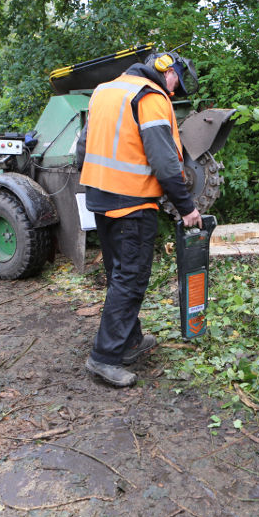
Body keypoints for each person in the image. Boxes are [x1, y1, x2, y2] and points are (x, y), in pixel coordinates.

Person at [80, 51, 202, 387]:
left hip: (101, 198)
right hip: (132, 202)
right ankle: (103, 359)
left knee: (119, 274)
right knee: (131, 279)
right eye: (177, 79)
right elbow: (165, 163)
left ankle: (129, 342)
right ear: (168, 71)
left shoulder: (105, 90)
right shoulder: (149, 98)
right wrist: (187, 206)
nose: (175, 89)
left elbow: (82, 148)